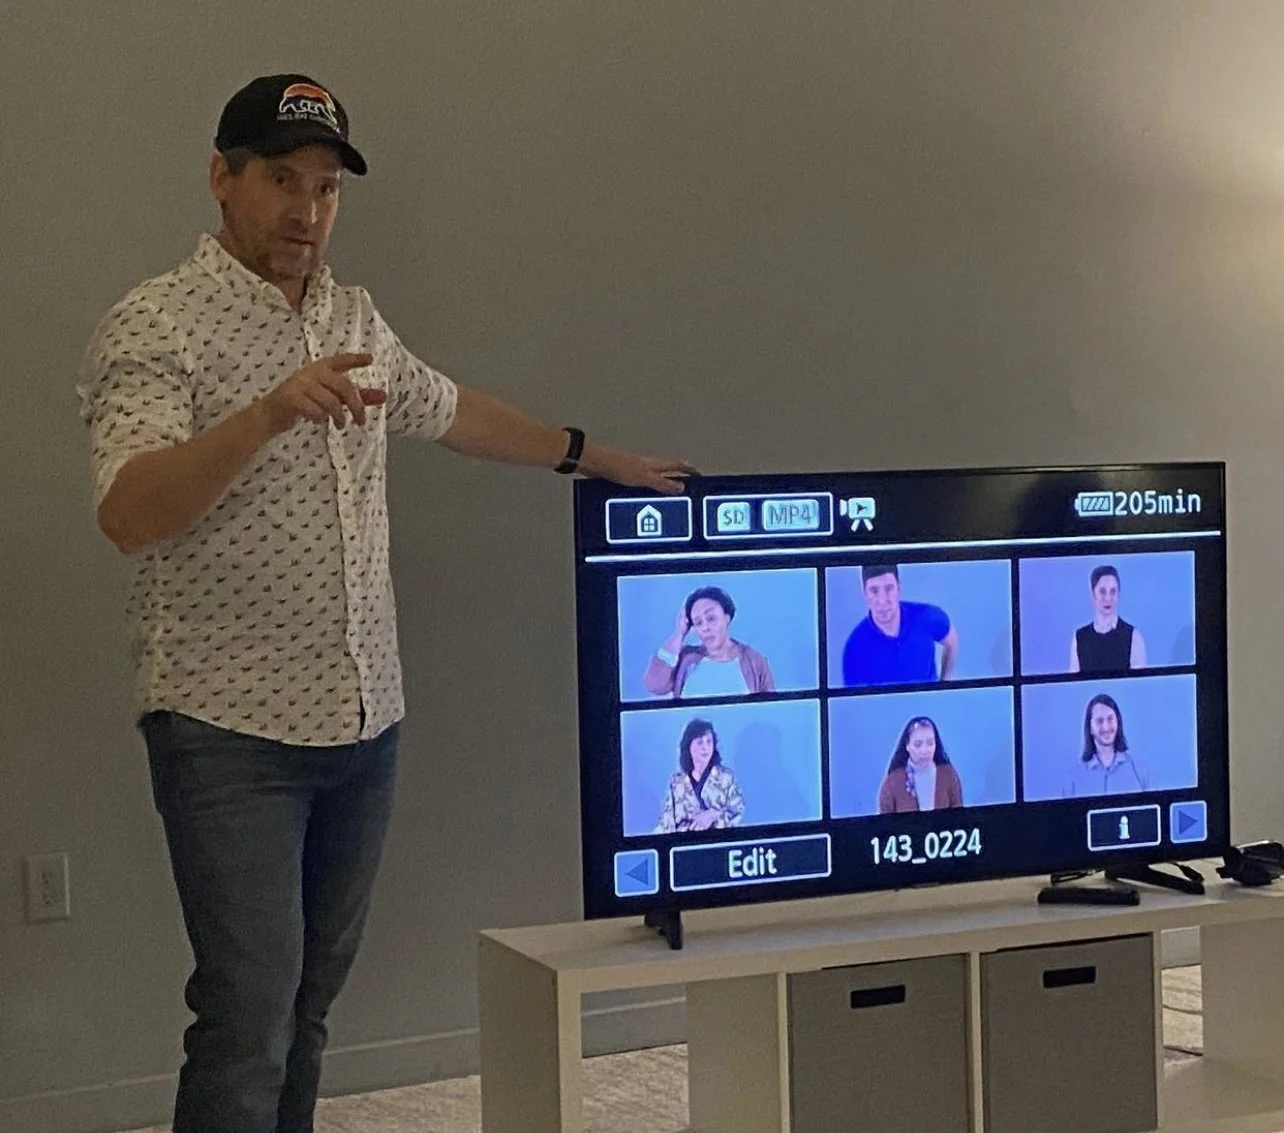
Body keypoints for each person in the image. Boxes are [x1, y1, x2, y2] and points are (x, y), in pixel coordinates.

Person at [75, 74, 694, 1133]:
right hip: (227, 731)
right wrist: (265, 415)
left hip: (365, 726)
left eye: (324, 188)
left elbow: (455, 412)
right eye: (280, 180)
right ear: (221, 178)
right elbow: (131, 512)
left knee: (309, 1009)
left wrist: (597, 458)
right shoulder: (155, 323)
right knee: (246, 1015)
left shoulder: (351, 318)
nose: (305, 211)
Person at [644, 585, 774, 697]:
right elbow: (654, 685)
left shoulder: (754, 660)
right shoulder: (685, 659)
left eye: (711, 618)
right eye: (698, 622)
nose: (705, 627)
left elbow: (769, 706)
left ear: (727, 618)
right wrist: (679, 633)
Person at [841, 564, 958, 687]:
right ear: (865, 593)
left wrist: (945, 682)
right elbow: (858, 702)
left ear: (899, 588)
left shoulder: (927, 616)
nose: (882, 600)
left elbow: (952, 639)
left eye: (889, 589)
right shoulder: (855, 649)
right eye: (874, 591)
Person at [654, 718, 746, 832]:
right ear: (689, 746)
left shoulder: (726, 777)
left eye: (709, 742)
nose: (705, 747)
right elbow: (666, 822)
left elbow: (738, 813)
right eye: (700, 742)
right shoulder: (677, 781)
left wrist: (713, 815)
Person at [1062, 693, 1150, 797]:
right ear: (1090, 728)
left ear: (1118, 722)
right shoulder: (1073, 780)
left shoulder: (1140, 772)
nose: (1106, 727)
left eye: (1110, 719)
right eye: (1099, 721)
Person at [877, 716, 965, 813]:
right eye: (918, 745)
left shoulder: (948, 775)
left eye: (930, 743)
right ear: (907, 746)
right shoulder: (892, 782)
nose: (924, 750)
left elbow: (959, 817)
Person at [1070, 565, 1148, 673]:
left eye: (1113, 591)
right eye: (1102, 591)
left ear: (1118, 594)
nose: (1108, 598)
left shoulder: (1134, 637)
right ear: (1093, 595)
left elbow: (1139, 684)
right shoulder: (1079, 638)